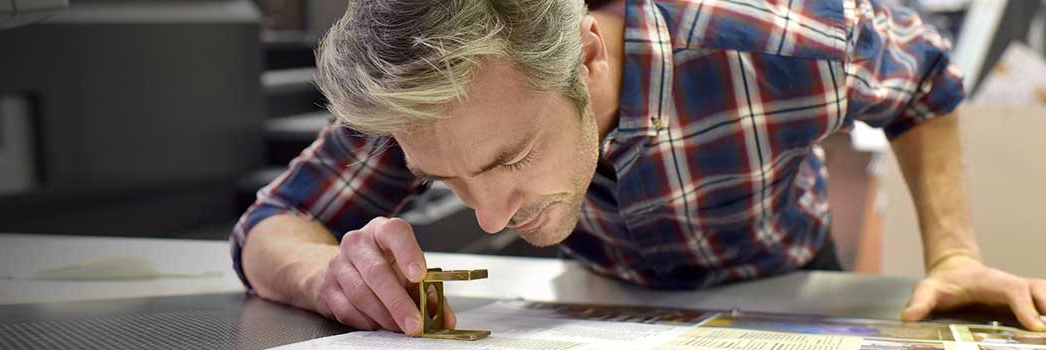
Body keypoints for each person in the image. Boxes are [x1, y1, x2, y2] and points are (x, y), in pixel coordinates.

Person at [232, 0, 1046, 335]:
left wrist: (952, 253)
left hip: (786, 276)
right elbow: (269, 224)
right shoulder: (434, 102)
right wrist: (323, 275)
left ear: (586, 56)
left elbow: (928, 81)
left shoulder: (779, 39)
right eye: (447, 180)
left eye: (510, 158)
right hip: (601, 298)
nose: (487, 220)